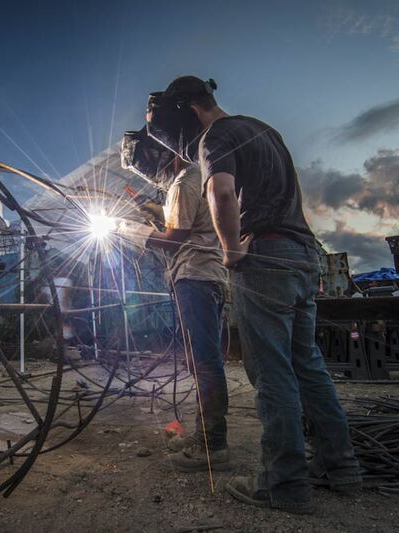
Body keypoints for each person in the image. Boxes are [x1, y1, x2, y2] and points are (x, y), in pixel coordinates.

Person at [147, 76, 361, 514]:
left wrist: (230, 252)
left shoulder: (215, 137)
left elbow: (221, 192)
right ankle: (341, 468)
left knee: (271, 372)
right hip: (302, 254)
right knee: (308, 366)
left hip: (264, 255)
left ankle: (283, 485)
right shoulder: (264, 130)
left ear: (189, 108)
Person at [119, 127, 230, 472]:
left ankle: (212, 446)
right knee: (203, 361)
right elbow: (181, 224)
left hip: (195, 276)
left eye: (147, 167)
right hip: (203, 276)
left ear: (158, 154)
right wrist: (147, 209)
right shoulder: (193, 177)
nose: (151, 175)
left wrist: (128, 230)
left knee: (205, 363)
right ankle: (205, 438)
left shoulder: (184, 182)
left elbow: (173, 240)